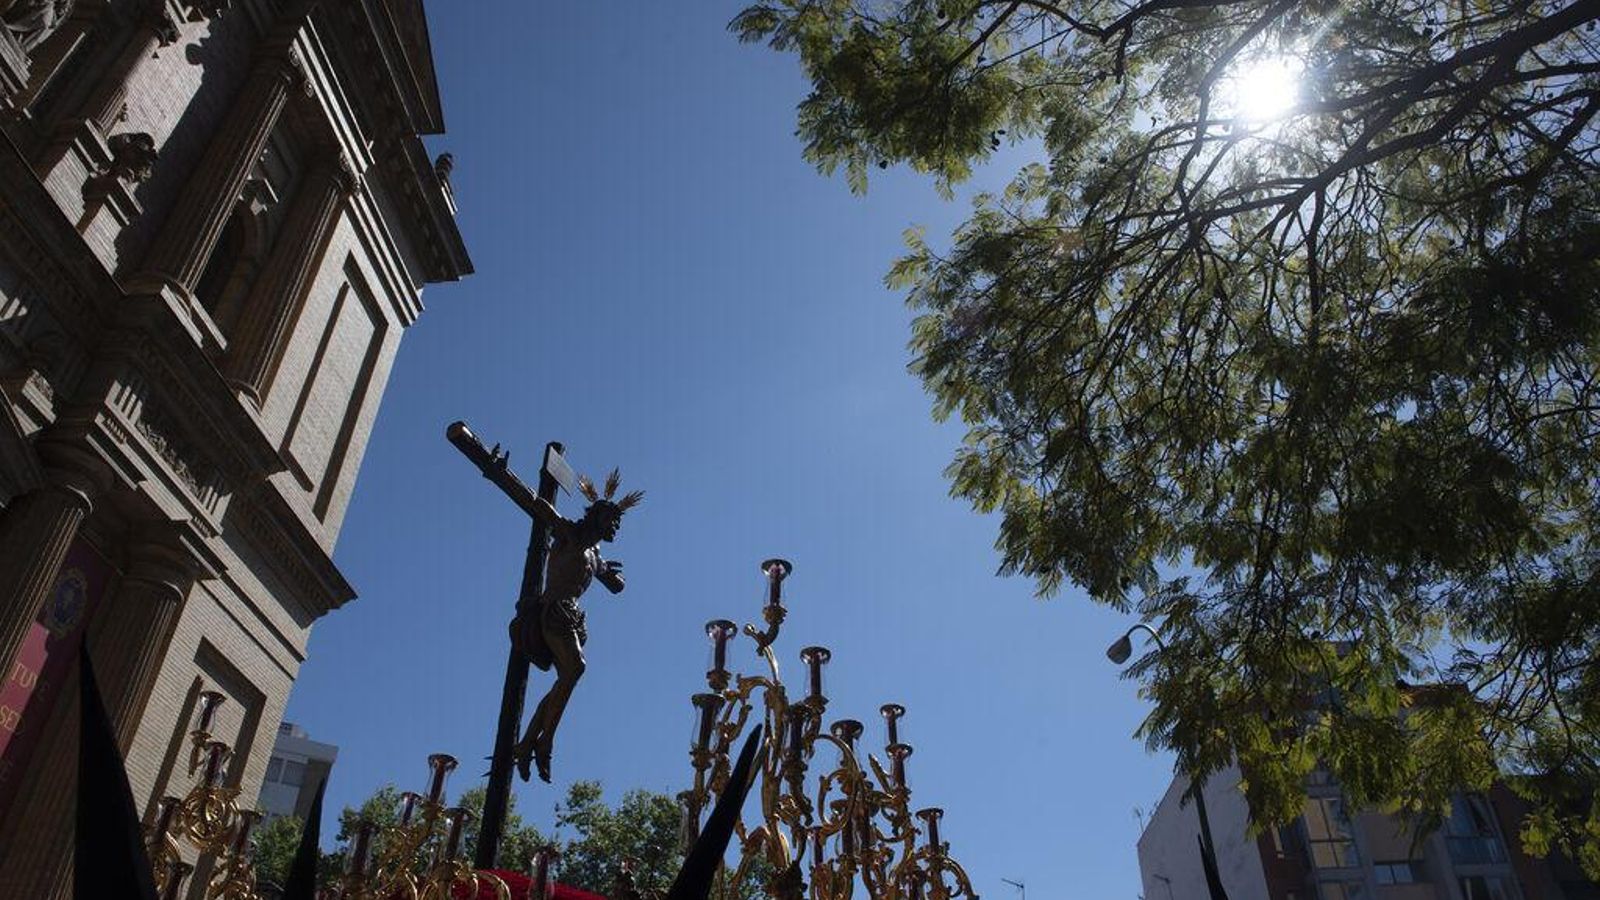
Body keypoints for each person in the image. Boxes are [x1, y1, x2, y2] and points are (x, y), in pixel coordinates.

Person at [510, 469, 642, 782]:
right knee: (575, 669)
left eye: (618, 522)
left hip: (573, 616)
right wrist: (501, 471)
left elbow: (618, 586)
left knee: (567, 678)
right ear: (596, 517)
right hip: (553, 610)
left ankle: (528, 743)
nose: (616, 526)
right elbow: (537, 504)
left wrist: (608, 571)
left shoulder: (595, 555)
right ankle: (544, 744)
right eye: (611, 520)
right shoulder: (569, 533)